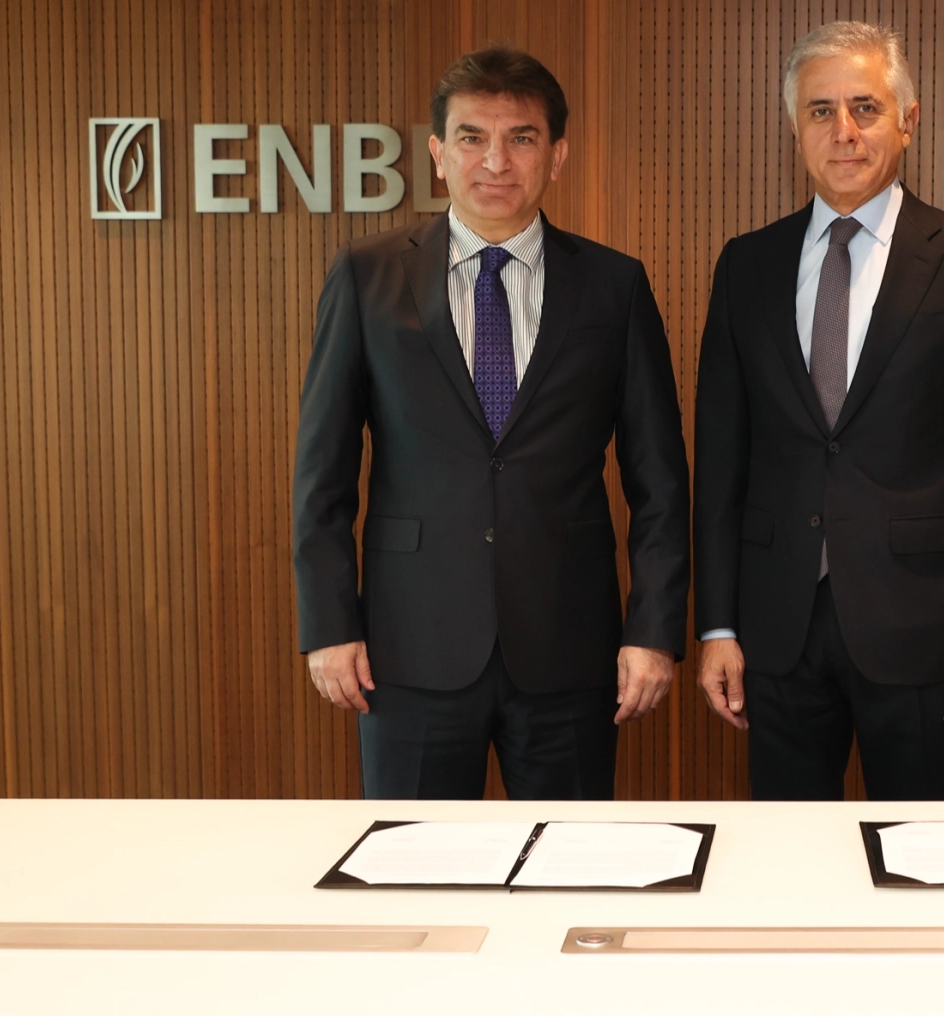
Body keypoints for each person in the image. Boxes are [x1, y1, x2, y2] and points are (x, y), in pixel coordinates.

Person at [293, 46, 689, 799]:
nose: (496, 161)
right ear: (438, 154)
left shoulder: (614, 286)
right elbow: (323, 473)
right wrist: (329, 624)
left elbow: (660, 482)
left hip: (570, 651)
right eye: (472, 137)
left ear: (557, 155)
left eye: (521, 138)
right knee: (415, 859)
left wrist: (653, 631)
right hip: (407, 650)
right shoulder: (367, 275)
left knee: (568, 859)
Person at [694, 22, 944, 800]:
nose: (843, 131)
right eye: (820, 111)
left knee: (920, 857)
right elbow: (719, 465)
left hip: (924, 637)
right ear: (795, 127)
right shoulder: (746, 265)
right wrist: (716, 625)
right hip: (775, 634)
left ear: (907, 121)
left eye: (864, 108)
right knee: (787, 858)